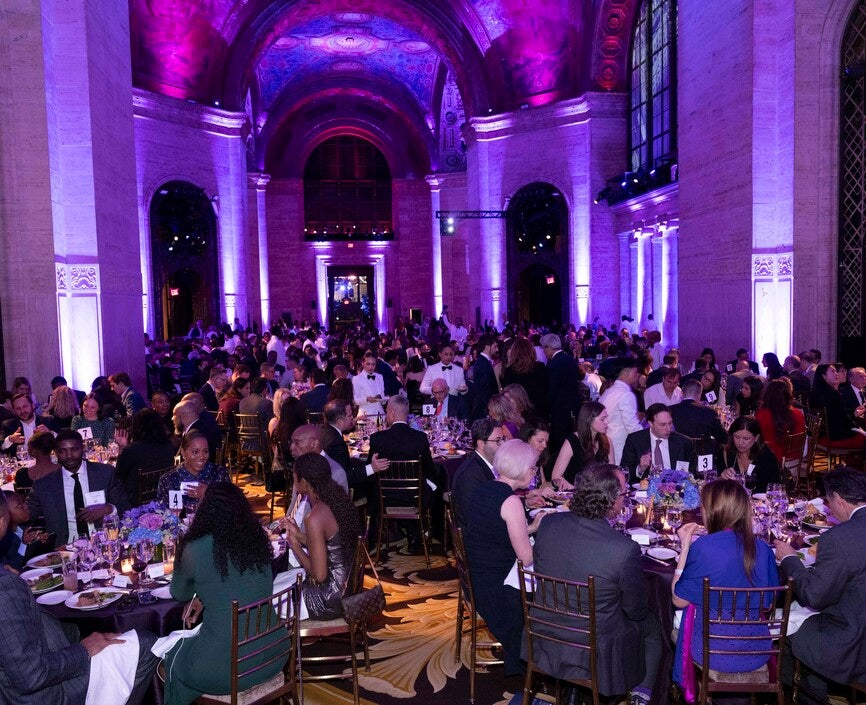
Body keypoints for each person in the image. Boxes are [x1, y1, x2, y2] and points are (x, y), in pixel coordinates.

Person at [0, 491, 159, 705]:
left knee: (104, 637)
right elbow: (31, 677)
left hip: (30, 668)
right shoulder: (5, 587)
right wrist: (83, 650)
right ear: (3, 522)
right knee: (148, 643)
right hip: (47, 696)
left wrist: (78, 637)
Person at [531, 464, 662, 705]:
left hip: (544, 629)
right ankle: (641, 696)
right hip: (596, 644)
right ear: (612, 501)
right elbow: (635, 610)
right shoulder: (623, 549)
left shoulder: (549, 525)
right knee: (653, 625)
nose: (624, 500)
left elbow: (541, 573)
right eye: (623, 494)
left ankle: (573, 687)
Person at [165, 483, 284, 705]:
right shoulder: (257, 539)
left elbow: (179, 593)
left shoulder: (194, 548)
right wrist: (204, 595)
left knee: (169, 659)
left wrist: (199, 592)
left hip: (229, 669)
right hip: (273, 652)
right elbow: (238, 583)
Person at [672, 480, 779, 688]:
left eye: (702, 506)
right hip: (757, 651)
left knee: (673, 624)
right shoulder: (763, 549)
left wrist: (684, 548)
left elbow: (678, 600)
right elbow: (768, 605)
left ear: (714, 511)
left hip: (710, 651)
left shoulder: (703, 547)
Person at [774, 466, 866, 701]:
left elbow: (815, 596)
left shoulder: (839, 538)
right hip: (857, 616)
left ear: (838, 498)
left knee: (783, 629)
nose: (829, 509)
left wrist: (789, 560)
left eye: (828, 502)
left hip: (853, 642)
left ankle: (807, 695)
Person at [464, 439, 546, 675]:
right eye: (532, 468)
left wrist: (531, 528)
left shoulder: (484, 488)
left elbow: (495, 529)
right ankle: (532, 658)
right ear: (521, 470)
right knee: (545, 588)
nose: (533, 472)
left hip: (476, 577)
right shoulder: (510, 502)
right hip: (495, 589)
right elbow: (526, 558)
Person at [279, 453, 360, 619]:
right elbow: (332, 544)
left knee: (270, 595)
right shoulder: (338, 500)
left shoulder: (315, 517)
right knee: (281, 579)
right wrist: (299, 535)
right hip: (350, 585)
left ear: (304, 482)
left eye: (295, 477)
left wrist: (294, 545)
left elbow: (319, 575)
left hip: (330, 597)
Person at [27, 429, 130, 547]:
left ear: (83, 449)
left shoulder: (105, 473)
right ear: (55, 453)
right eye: (62, 451)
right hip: (64, 548)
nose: (69, 456)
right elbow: (28, 517)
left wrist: (108, 509)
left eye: (74, 449)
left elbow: (126, 507)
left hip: (104, 543)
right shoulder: (44, 485)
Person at [450, 418, 506, 530]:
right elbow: (475, 517)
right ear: (481, 444)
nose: (503, 444)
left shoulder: (488, 465)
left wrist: (526, 503)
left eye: (503, 439)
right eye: (498, 440)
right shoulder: (470, 475)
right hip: (478, 539)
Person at [620, 403, 696, 483]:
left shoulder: (684, 442)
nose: (668, 428)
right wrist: (640, 469)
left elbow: (692, 472)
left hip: (676, 490)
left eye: (670, 423)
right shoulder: (635, 440)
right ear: (650, 424)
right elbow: (624, 472)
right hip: (645, 491)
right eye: (662, 425)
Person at [541, 333, 585, 466]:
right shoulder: (570, 359)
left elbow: (552, 390)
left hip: (559, 411)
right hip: (573, 408)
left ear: (549, 347)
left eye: (544, 349)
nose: (544, 352)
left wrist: (546, 410)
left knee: (559, 445)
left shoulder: (554, 364)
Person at [156, 431, 229, 510]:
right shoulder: (169, 479)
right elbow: (165, 515)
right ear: (183, 453)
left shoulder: (219, 473)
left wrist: (209, 494)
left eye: (205, 451)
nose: (201, 457)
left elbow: (233, 506)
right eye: (195, 452)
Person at [114, 409, 176, 502]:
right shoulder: (169, 445)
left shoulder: (132, 449)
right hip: (162, 493)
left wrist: (122, 447)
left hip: (135, 498)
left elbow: (118, 475)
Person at [549, 401, 613, 490]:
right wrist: (572, 488)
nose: (606, 422)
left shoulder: (607, 441)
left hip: (600, 494)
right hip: (575, 494)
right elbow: (556, 476)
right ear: (589, 420)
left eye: (606, 418)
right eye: (602, 419)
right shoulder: (572, 441)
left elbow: (612, 473)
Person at [715, 416, 781, 493]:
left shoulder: (766, 457)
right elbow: (714, 484)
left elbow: (776, 488)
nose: (740, 442)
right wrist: (722, 477)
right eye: (737, 437)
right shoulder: (726, 453)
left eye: (746, 439)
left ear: (756, 438)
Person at [809, 363, 865, 450]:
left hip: (820, 434)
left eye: (836, 371)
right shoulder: (833, 394)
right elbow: (841, 420)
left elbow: (836, 413)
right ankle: (853, 463)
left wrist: (853, 412)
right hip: (835, 435)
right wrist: (855, 418)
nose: (836, 374)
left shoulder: (815, 392)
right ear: (823, 376)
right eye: (832, 371)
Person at [599, 360, 642, 464]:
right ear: (626, 372)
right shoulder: (626, 394)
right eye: (635, 372)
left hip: (605, 441)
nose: (638, 374)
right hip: (619, 445)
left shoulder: (609, 390)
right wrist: (649, 435)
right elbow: (631, 426)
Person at [669, 379, 729, 452]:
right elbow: (723, 438)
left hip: (677, 453)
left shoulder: (670, 410)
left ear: (682, 393)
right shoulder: (709, 412)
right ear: (699, 394)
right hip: (703, 455)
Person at [755, 379, 806, 463]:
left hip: (771, 460)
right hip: (795, 460)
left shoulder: (762, 414)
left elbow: (757, 437)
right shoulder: (798, 414)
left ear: (767, 394)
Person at [501, 338, 549, 419]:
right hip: (539, 413)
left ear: (515, 352)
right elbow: (546, 390)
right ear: (531, 351)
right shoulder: (540, 368)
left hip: (519, 415)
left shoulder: (509, 371)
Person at [469, 334, 499, 420]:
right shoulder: (483, 364)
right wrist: (488, 412)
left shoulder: (483, 362)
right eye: (495, 346)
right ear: (487, 347)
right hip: (483, 411)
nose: (497, 349)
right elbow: (483, 392)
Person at [352, 354, 386, 418]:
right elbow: (355, 400)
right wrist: (366, 399)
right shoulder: (357, 379)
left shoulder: (379, 377)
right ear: (363, 364)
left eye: (373, 364)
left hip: (380, 414)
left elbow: (383, 397)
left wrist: (381, 398)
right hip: (365, 415)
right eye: (368, 364)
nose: (371, 367)